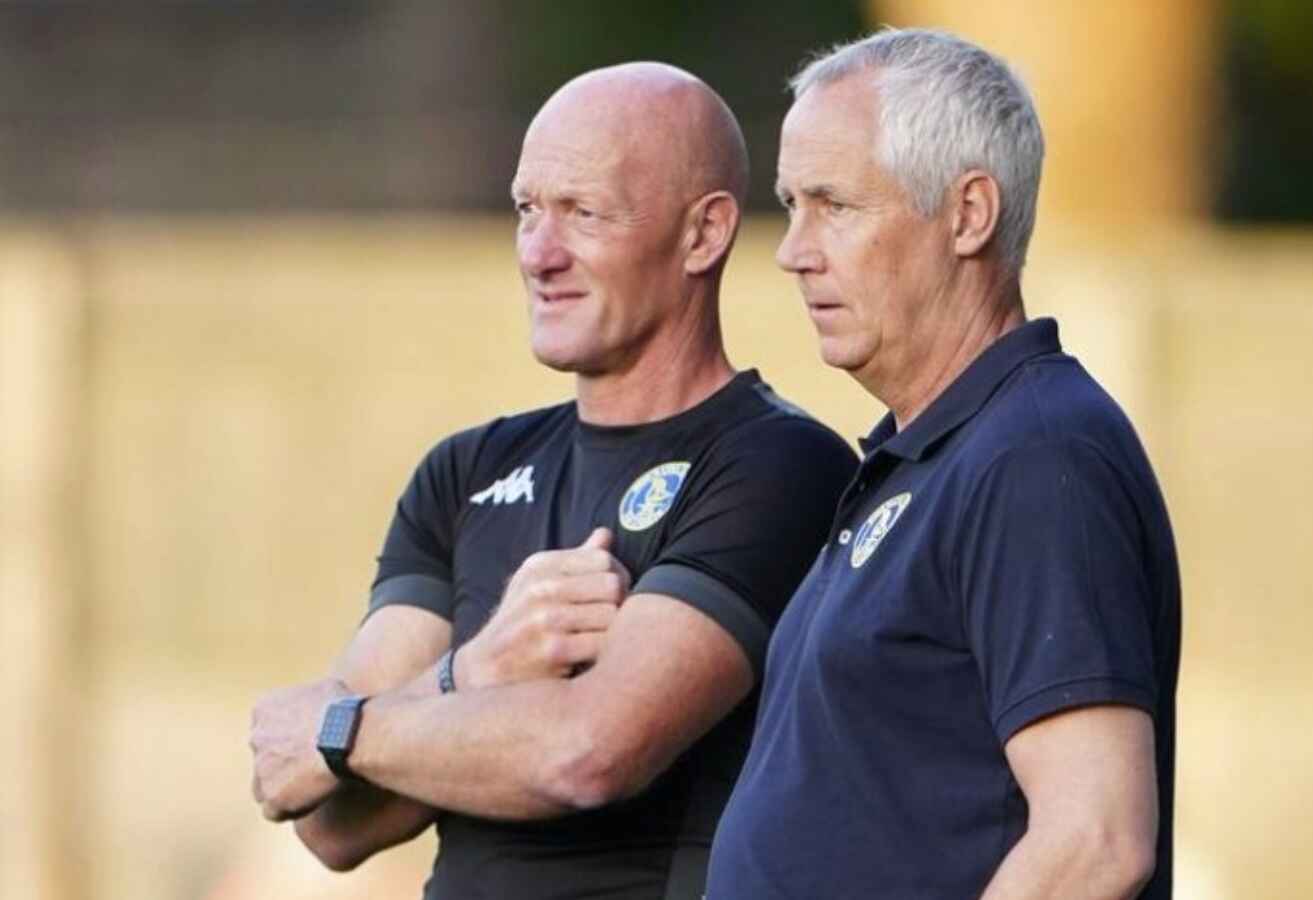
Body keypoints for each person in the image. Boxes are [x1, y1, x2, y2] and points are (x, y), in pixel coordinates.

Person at [248, 62, 857, 900]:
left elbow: (589, 752)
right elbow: (332, 823)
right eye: (527, 209)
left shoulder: (779, 464)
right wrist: (478, 669)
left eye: (583, 212)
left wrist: (337, 730)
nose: (539, 252)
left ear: (703, 234)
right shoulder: (465, 473)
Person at [705, 29, 1182, 900]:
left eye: (834, 205)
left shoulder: (1036, 454)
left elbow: (1096, 840)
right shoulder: (935, 455)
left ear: (968, 214)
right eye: (790, 202)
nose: (793, 248)